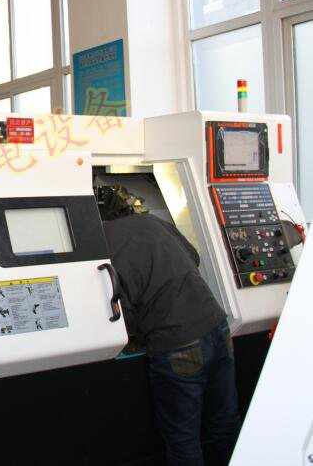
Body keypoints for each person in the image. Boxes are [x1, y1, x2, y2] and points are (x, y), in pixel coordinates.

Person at [98, 186, 240, 466]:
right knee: (225, 423)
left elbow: (120, 308)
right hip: (217, 325)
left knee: (183, 440)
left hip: (177, 345)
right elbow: (194, 256)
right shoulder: (153, 221)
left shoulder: (105, 246)